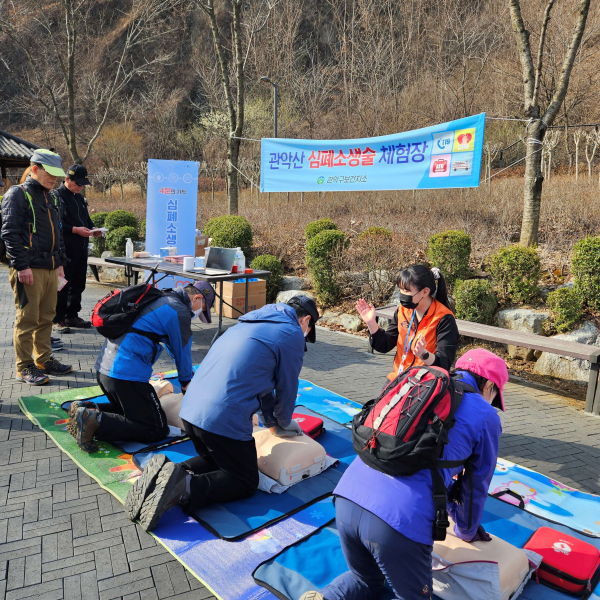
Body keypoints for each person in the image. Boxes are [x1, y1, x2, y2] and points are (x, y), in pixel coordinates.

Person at [300, 348, 507, 600]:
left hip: (346, 498)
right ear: (488, 386)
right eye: (495, 395)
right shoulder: (487, 417)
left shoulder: (418, 385)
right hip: (398, 523)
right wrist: (466, 530)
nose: (492, 403)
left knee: (364, 580)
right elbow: (475, 486)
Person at [125, 295, 320, 532]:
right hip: (221, 417)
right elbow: (287, 387)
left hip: (191, 411)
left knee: (216, 459)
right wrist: (284, 423)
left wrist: (273, 422)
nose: (305, 336)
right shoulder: (291, 334)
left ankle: (170, 474)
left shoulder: (249, 323)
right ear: (305, 320)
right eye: (308, 330)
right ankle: (185, 487)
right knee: (245, 481)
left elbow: (266, 385)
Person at [68, 281, 209, 452]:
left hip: (106, 371)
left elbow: (174, 346)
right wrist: (187, 382)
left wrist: (187, 377)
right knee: (156, 428)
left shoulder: (162, 298)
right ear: (197, 297)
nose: (198, 314)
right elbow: (183, 350)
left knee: (133, 411)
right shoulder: (178, 310)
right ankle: (95, 420)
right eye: (202, 308)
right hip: (125, 376)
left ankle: (86, 409)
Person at [1, 149, 73, 385]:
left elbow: (59, 233)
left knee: (47, 317)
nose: (55, 179)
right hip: (29, 268)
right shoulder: (17, 194)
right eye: (50, 173)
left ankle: (43, 359)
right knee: (28, 318)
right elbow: (9, 234)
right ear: (35, 169)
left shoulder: (52, 196)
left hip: (51, 267)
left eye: (57, 174)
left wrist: (60, 264)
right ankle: (24, 367)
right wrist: (21, 266)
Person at [357, 265, 459, 381]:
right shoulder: (403, 310)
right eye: (400, 289)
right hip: (398, 378)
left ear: (425, 292)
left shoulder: (444, 318)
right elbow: (385, 345)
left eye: (406, 290)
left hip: (425, 385)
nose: (402, 294)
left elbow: (443, 364)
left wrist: (424, 354)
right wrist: (371, 323)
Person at [52, 165, 102, 333]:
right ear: (67, 179)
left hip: (81, 248)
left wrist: (93, 229)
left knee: (78, 283)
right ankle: (57, 319)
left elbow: (86, 219)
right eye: (78, 183)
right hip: (65, 248)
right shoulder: (57, 196)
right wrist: (74, 229)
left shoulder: (80, 198)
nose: (81, 187)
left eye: (83, 184)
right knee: (62, 284)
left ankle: (72, 315)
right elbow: (56, 224)